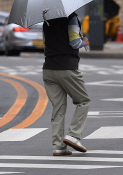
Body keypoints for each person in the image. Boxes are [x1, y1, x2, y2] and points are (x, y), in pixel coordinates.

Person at [42, 13, 91, 156]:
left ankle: (58, 146)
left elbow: (46, 44)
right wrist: (84, 42)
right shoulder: (71, 18)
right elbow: (74, 43)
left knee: (58, 107)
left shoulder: (47, 21)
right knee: (84, 101)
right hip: (67, 68)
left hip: (49, 69)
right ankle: (74, 135)